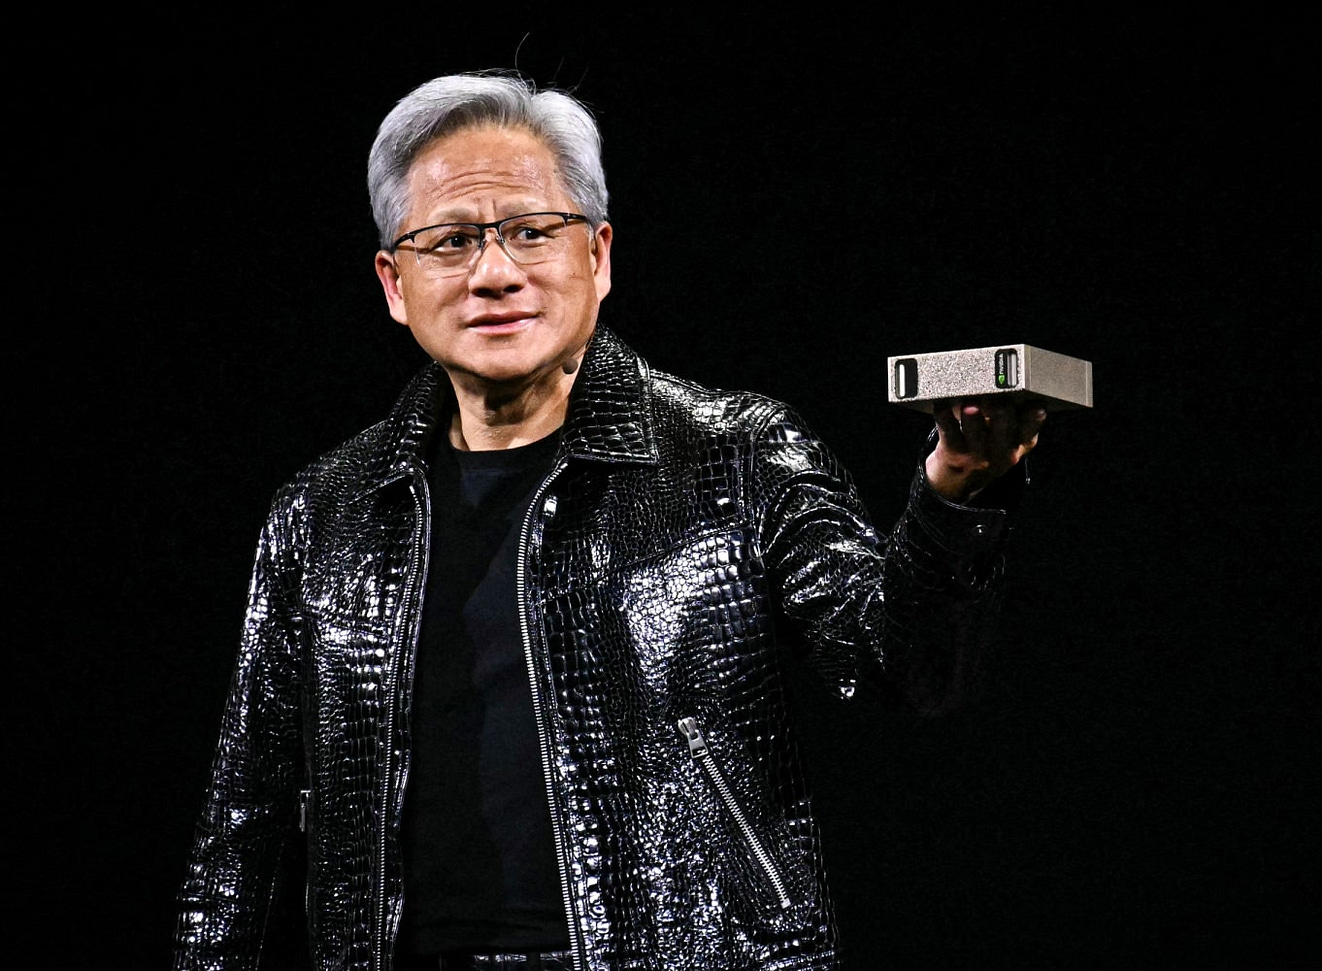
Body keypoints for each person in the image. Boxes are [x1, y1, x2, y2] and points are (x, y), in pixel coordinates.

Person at [173, 70, 1046, 971]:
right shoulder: (324, 513)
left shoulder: (736, 453)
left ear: (598, 255)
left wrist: (954, 496)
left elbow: (902, 669)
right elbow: (247, 819)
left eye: (529, 231)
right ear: (395, 283)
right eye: (451, 241)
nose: (495, 272)